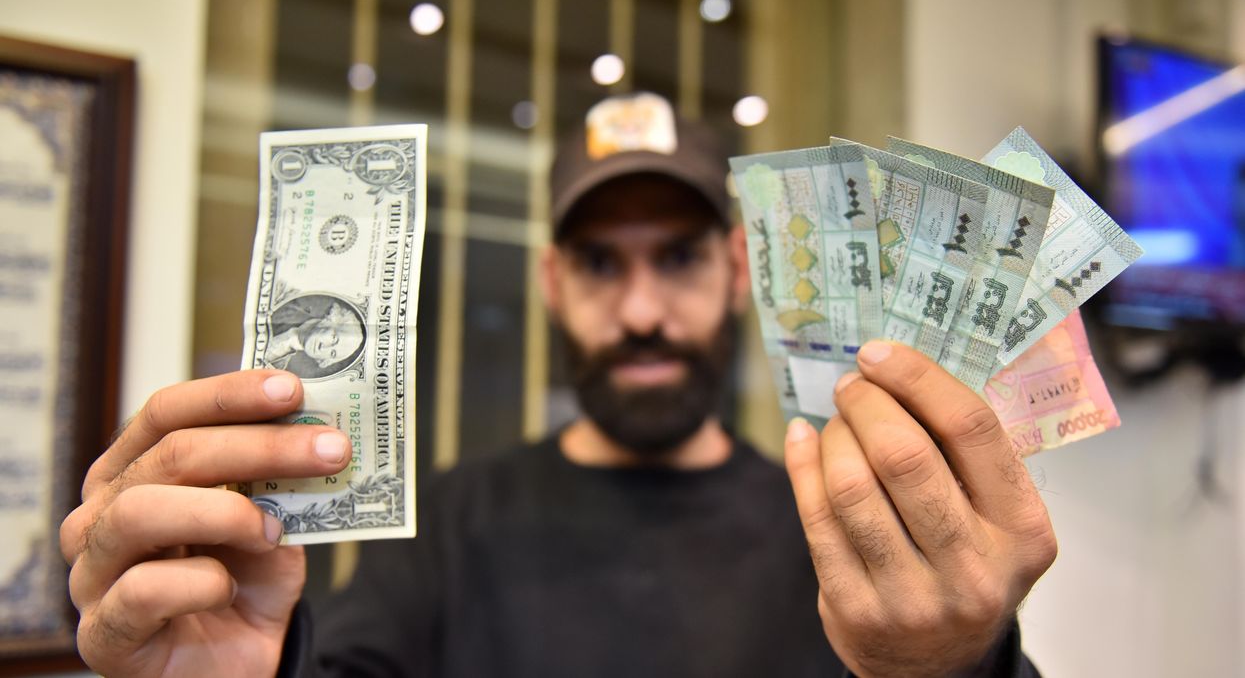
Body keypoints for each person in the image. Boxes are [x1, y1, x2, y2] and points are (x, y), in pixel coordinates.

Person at [60, 92, 1056, 677]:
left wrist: (965, 665)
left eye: (676, 258)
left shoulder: (848, 527)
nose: (640, 312)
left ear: (737, 270)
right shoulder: (452, 519)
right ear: (550, 281)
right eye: (599, 263)